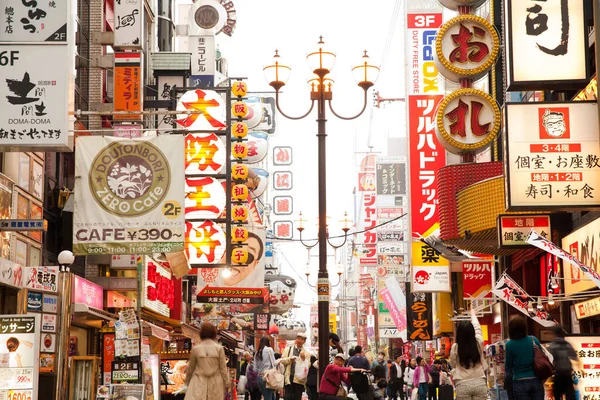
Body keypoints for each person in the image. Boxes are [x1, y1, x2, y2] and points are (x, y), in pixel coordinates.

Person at [184, 322, 230, 400]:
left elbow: (191, 368)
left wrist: (187, 382)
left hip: (198, 382)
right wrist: (227, 384)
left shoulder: (196, 349)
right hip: (215, 383)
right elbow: (223, 368)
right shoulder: (219, 349)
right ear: (214, 334)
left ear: (201, 334)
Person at [449, 309, 487, 400]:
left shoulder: (455, 347)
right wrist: (473, 314)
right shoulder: (478, 343)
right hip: (479, 382)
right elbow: (478, 328)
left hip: (462, 384)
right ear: (472, 332)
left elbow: (453, 363)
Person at [504, 315, 545, 400]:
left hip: (519, 381)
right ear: (524, 327)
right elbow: (542, 357)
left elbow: (509, 365)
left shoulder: (509, 344)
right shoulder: (533, 340)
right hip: (536, 380)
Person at [549, 324, 581, 400]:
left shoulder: (552, 346)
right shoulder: (567, 345)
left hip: (558, 374)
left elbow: (549, 360)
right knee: (570, 396)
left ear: (554, 334)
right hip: (567, 374)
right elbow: (575, 357)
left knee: (557, 395)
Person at [281, 332, 309, 400]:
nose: (299, 340)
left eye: (301, 339)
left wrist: (303, 359)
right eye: (298, 338)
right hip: (288, 377)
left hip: (299, 379)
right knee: (288, 397)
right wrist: (289, 360)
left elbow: (308, 365)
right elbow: (282, 361)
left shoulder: (306, 353)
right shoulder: (288, 349)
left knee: (297, 397)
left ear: (304, 341)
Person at [255, 336, 278, 400]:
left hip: (259, 378)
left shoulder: (257, 353)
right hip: (267, 377)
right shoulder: (269, 350)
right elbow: (274, 363)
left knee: (269, 396)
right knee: (268, 397)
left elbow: (255, 368)